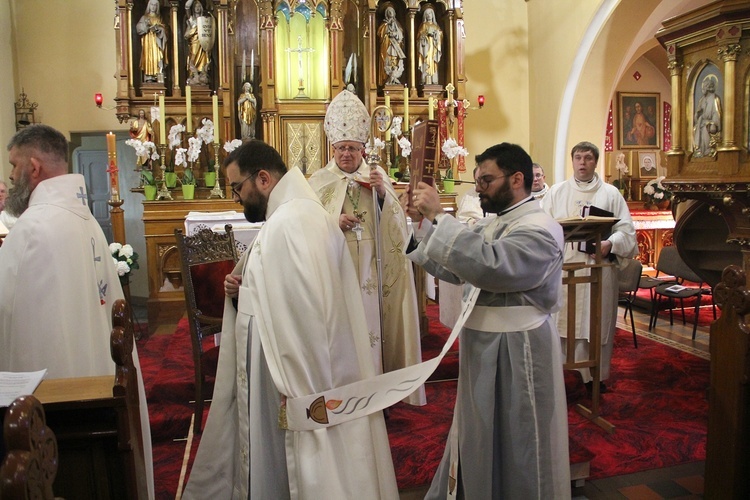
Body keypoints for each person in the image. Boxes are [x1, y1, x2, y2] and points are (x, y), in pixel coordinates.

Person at [182, 140, 398, 498]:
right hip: (294, 379)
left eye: (238, 187)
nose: (236, 197)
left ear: (263, 178)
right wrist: (240, 289)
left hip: (297, 388)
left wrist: (302, 400)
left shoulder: (291, 222)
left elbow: (307, 318)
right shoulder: (296, 213)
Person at [407, 143, 570, 498]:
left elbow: (494, 267)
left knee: (519, 442)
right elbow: (457, 266)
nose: (478, 188)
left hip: (520, 350)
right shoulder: (496, 223)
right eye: (477, 180)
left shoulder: (540, 228)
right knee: (480, 437)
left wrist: (439, 218)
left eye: (486, 180)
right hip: (485, 347)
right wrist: (414, 228)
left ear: (517, 179)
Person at [0, 124, 154, 498]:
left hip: (56, 411)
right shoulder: (84, 219)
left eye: (13, 165)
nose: (9, 176)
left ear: (33, 168)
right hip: (98, 390)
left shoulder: (34, 227)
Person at [308, 89, 425, 406]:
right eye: (342, 148)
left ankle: (375, 395)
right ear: (332, 148)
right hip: (338, 265)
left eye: (353, 149)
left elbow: (398, 224)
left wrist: (383, 195)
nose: (347, 154)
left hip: (372, 268)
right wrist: (333, 221)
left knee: (372, 330)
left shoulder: (376, 176)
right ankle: (344, 393)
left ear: (363, 149)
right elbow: (305, 226)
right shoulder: (319, 181)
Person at [542, 141, 637, 393]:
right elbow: (541, 229)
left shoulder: (610, 194)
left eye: (587, 158)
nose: (582, 163)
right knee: (562, 320)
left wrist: (609, 243)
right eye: (578, 158)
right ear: (571, 161)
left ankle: (595, 377)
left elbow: (626, 232)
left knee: (595, 323)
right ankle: (559, 374)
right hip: (564, 268)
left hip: (599, 268)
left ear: (596, 162)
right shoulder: (556, 193)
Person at [135, 0, 168, 83]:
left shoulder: (159, 18)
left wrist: (159, 29)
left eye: (155, 5)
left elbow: (164, 29)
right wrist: (145, 26)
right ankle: (149, 77)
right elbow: (139, 28)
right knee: (149, 57)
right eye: (152, 5)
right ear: (149, 6)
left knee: (158, 57)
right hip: (148, 42)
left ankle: (158, 75)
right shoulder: (144, 17)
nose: (153, 7)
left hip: (157, 42)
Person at [184, 0, 213, 85]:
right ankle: (193, 75)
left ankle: (202, 74)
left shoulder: (204, 19)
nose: (197, 8)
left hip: (202, 43)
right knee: (193, 57)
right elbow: (187, 7)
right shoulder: (191, 18)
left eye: (199, 6)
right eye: (196, 7)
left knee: (203, 59)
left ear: (201, 8)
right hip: (194, 42)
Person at [693, 74, 722, 158]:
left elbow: (717, 113)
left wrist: (714, 123)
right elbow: (698, 112)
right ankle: (699, 150)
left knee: (707, 130)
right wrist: (697, 115)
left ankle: (707, 150)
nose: (702, 89)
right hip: (701, 122)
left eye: (704, 87)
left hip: (710, 123)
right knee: (695, 129)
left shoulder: (715, 98)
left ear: (708, 87)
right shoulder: (702, 99)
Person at [377, 6, 406, 86]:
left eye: (391, 11)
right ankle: (387, 78)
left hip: (396, 47)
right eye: (388, 12)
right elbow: (380, 33)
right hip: (387, 46)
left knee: (396, 61)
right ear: (386, 14)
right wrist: (387, 29)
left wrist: (395, 34)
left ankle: (395, 77)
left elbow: (401, 35)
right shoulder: (384, 24)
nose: (390, 13)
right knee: (387, 60)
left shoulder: (398, 24)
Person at [417, 6, 443, 85]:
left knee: (433, 61)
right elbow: (419, 36)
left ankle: (434, 79)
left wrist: (436, 34)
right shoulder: (423, 25)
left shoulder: (436, 26)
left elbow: (440, 35)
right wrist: (425, 34)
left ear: (433, 15)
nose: (429, 15)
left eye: (430, 13)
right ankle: (425, 79)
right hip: (426, 47)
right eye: (427, 13)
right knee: (426, 61)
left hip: (433, 46)